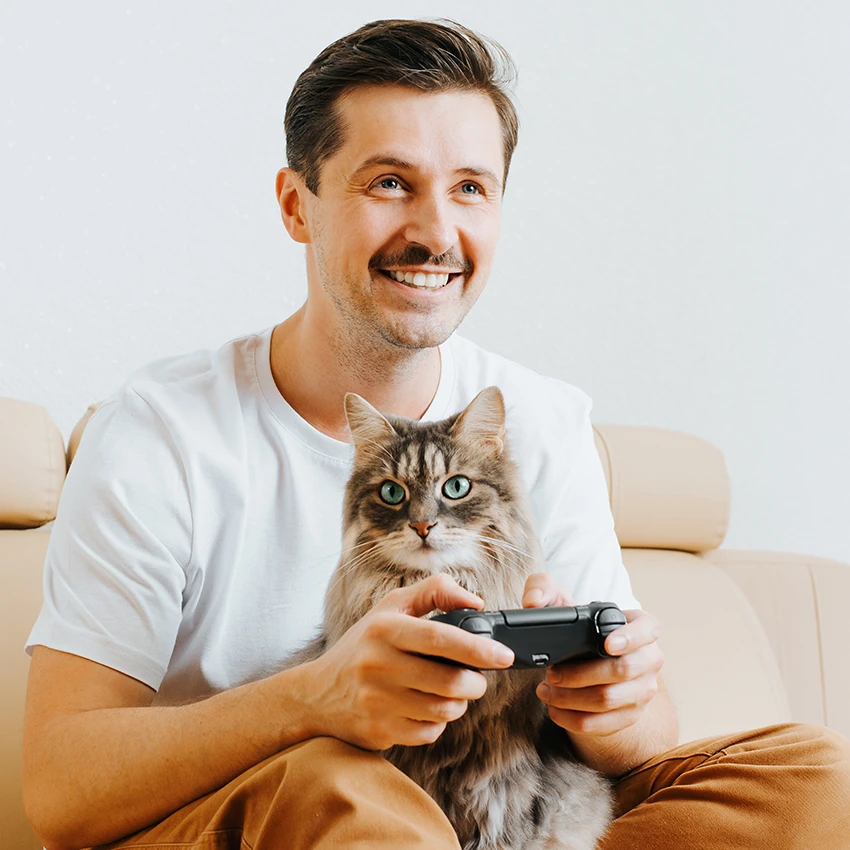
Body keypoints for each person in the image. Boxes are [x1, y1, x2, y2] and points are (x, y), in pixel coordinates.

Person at [22, 18, 850, 850]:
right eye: (389, 182)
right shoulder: (161, 431)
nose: (437, 233)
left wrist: (615, 707)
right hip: (287, 821)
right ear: (295, 205)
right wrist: (316, 699)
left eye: (469, 188)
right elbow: (59, 795)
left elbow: (639, 747)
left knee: (808, 780)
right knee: (340, 785)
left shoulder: (541, 421)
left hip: (508, 818)